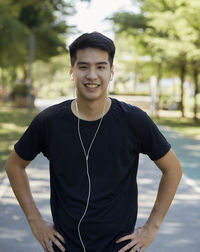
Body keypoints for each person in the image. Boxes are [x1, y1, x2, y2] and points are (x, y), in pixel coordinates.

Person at [6, 32, 182, 252]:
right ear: (72, 72)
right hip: (65, 246)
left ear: (111, 72)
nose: (92, 75)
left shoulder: (134, 120)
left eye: (100, 67)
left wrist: (151, 228)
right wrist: (34, 220)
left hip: (120, 247)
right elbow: (14, 165)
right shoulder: (49, 121)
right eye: (83, 67)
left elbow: (173, 169)